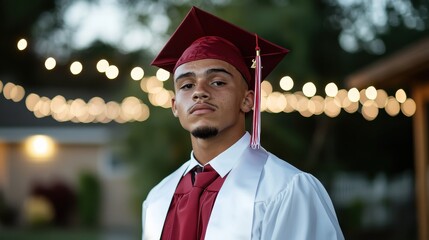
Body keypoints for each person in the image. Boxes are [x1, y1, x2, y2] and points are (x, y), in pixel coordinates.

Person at [142, 6, 344, 240]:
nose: (199, 92)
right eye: (187, 85)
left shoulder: (286, 190)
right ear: (175, 106)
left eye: (217, 82)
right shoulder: (158, 198)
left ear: (248, 100)